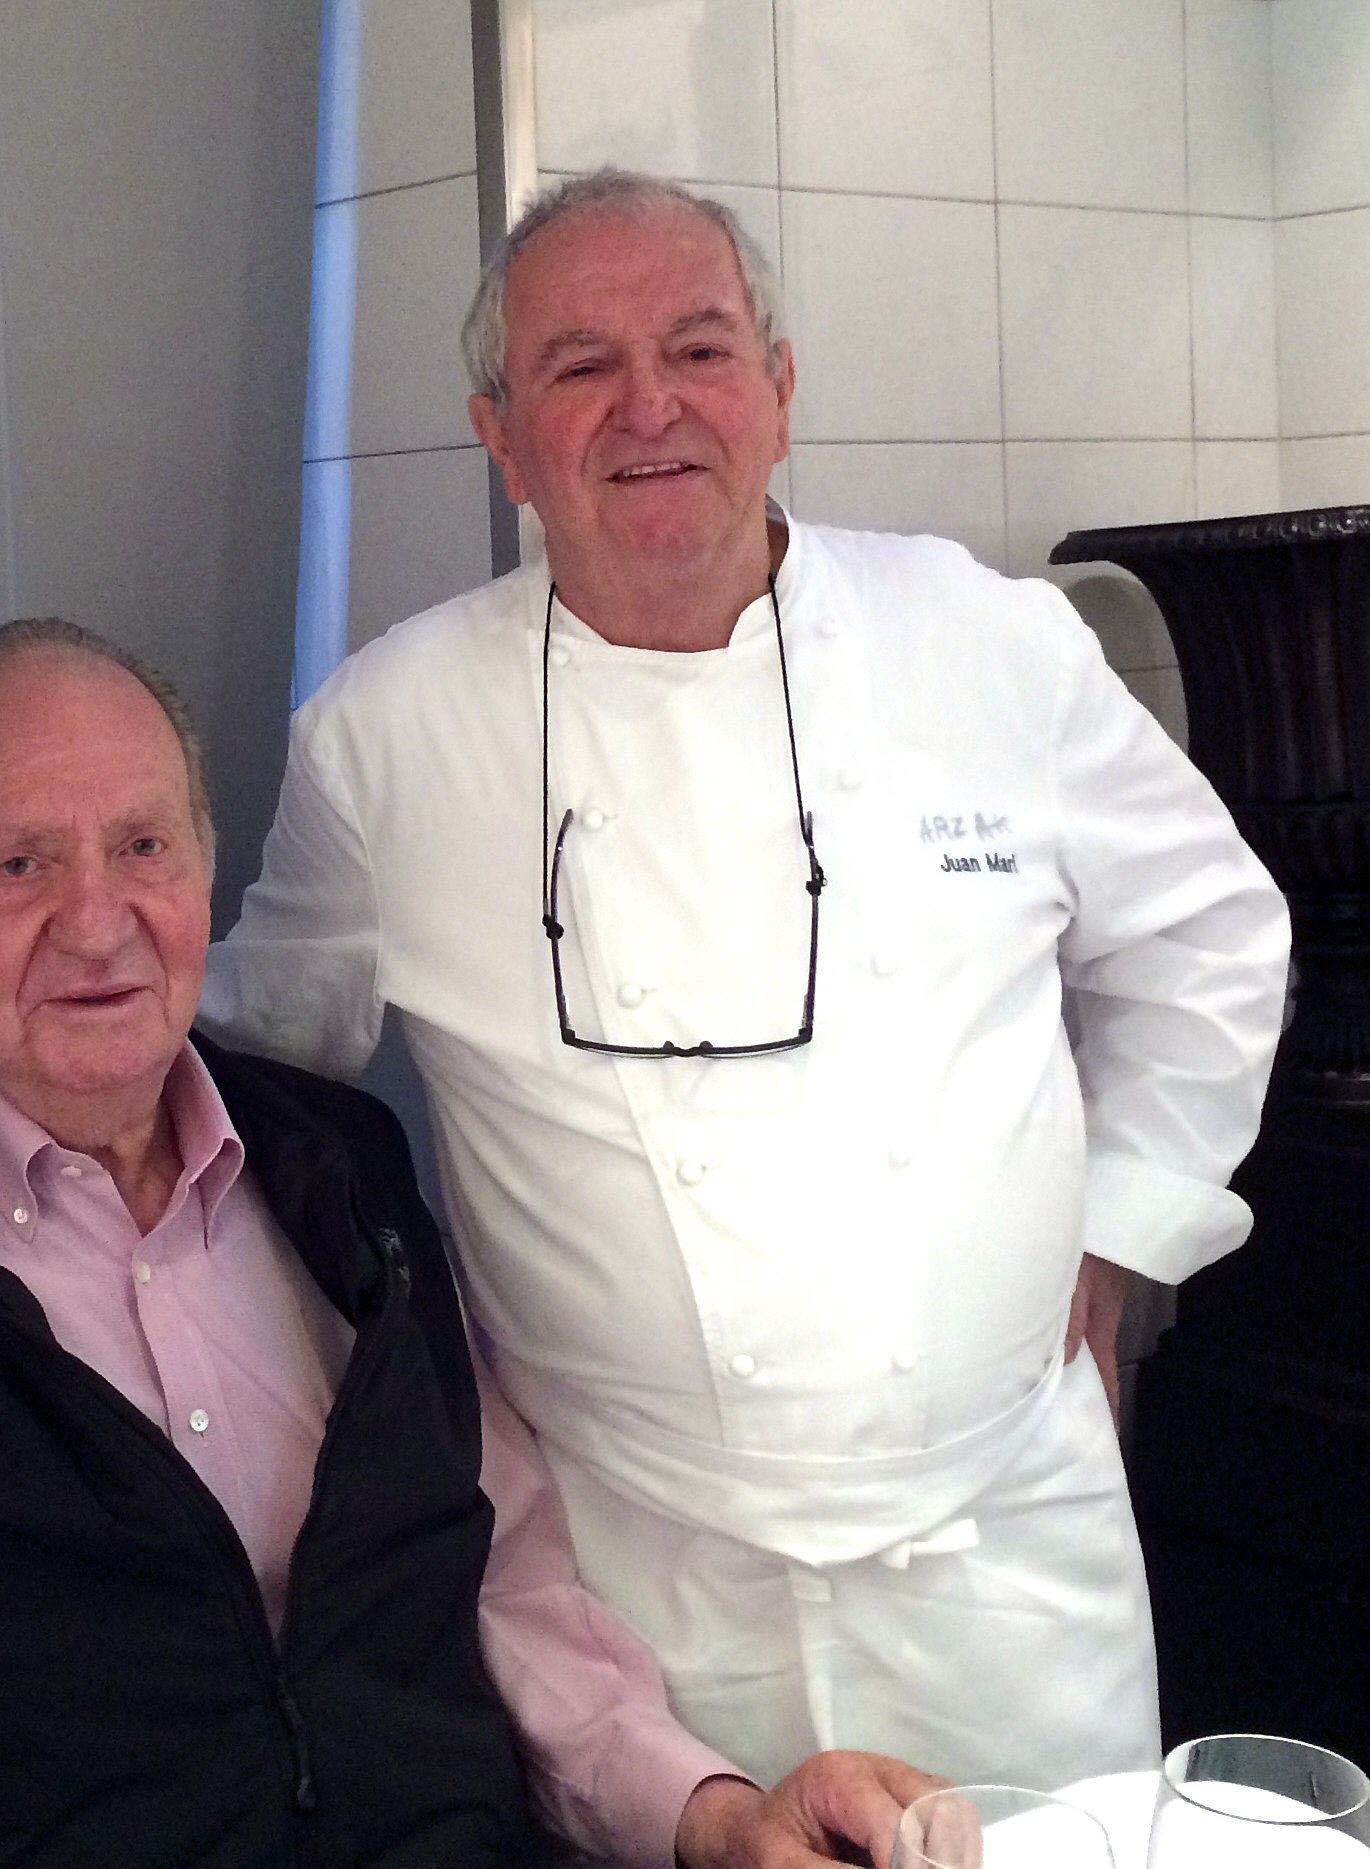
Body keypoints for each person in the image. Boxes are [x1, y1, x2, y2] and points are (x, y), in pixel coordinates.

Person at [198, 171, 1293, 1793]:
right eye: (578, 366)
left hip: (998, 1559)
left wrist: (1124, 1213)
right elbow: (260, 1062)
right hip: (643, 1579)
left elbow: (1207, 929)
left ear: (776, 392)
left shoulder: (990, 644)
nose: (650, 407)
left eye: (699, 349)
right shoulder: (385, 739)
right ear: (497, 432)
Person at [0, 619, 946, 1869]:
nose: (99, 919)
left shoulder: (343, 1169)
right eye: (18, 864)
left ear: (203, 863)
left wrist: (709, 1815)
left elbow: (505, 1588)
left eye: (143, 846)